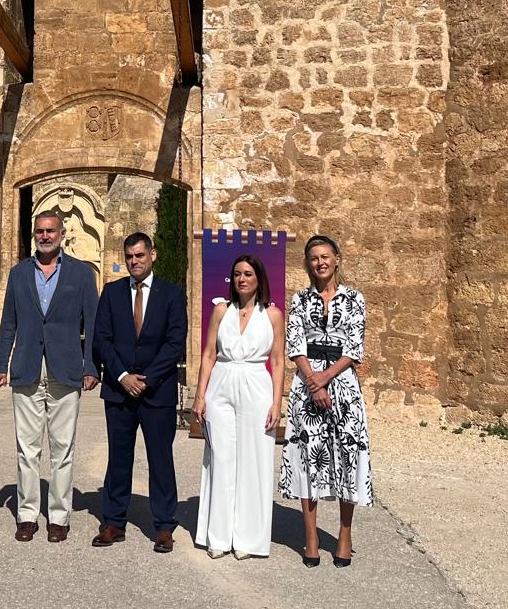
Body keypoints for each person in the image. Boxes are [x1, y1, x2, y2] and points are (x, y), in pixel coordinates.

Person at [0, 208, 100, 542]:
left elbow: (93, 324)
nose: (44, 236)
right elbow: (8, 320)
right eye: (39, 231)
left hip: (65, 368)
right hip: (26, 366)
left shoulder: (82, 274)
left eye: (50, 231)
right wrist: (0, 363)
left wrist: (91, 365)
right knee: (27, 448)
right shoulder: (18, 274)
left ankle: (58, 516)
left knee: (62, 448)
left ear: (62, 234)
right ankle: (27, 515)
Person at [278, 235, 373, 568]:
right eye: (313, 258)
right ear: (308, 263)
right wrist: (313, 381)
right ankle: (312, 537)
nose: (319, 262)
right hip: (307, 383)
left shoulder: (354, 299)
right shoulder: (300, 299)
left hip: (343, 383)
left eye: (325, 256)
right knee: (308, 459)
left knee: (347, 455)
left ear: (337, 259)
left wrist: (326, 377)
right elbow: (295, 344)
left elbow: (354, 347)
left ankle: (344, 534)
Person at [91, 232, 188, 553]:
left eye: (140, 256)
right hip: (119, 392)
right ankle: (114, 521)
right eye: (129, 256)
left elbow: (175, 342)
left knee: (160, 459)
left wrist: (146, 379)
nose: (134, 262)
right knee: (119, 458)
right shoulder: (112, 292)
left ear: (153, 256)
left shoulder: (171, 295)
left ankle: (163, 526)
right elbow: (101, 339)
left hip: (156, 392)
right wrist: (121, 376)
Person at [193, 254, 286, 559]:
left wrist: (276, 402)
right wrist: (200, 395)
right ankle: (218, 535)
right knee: (220, 456)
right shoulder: (221, 310)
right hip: (222, 383)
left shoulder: (272, 315)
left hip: (256, 385)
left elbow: (277, 360)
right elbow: (208, 354)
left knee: (253, 460)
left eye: (247, 274)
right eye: (237, 274)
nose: (242, 279)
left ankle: (247, 538)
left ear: (259, 278)